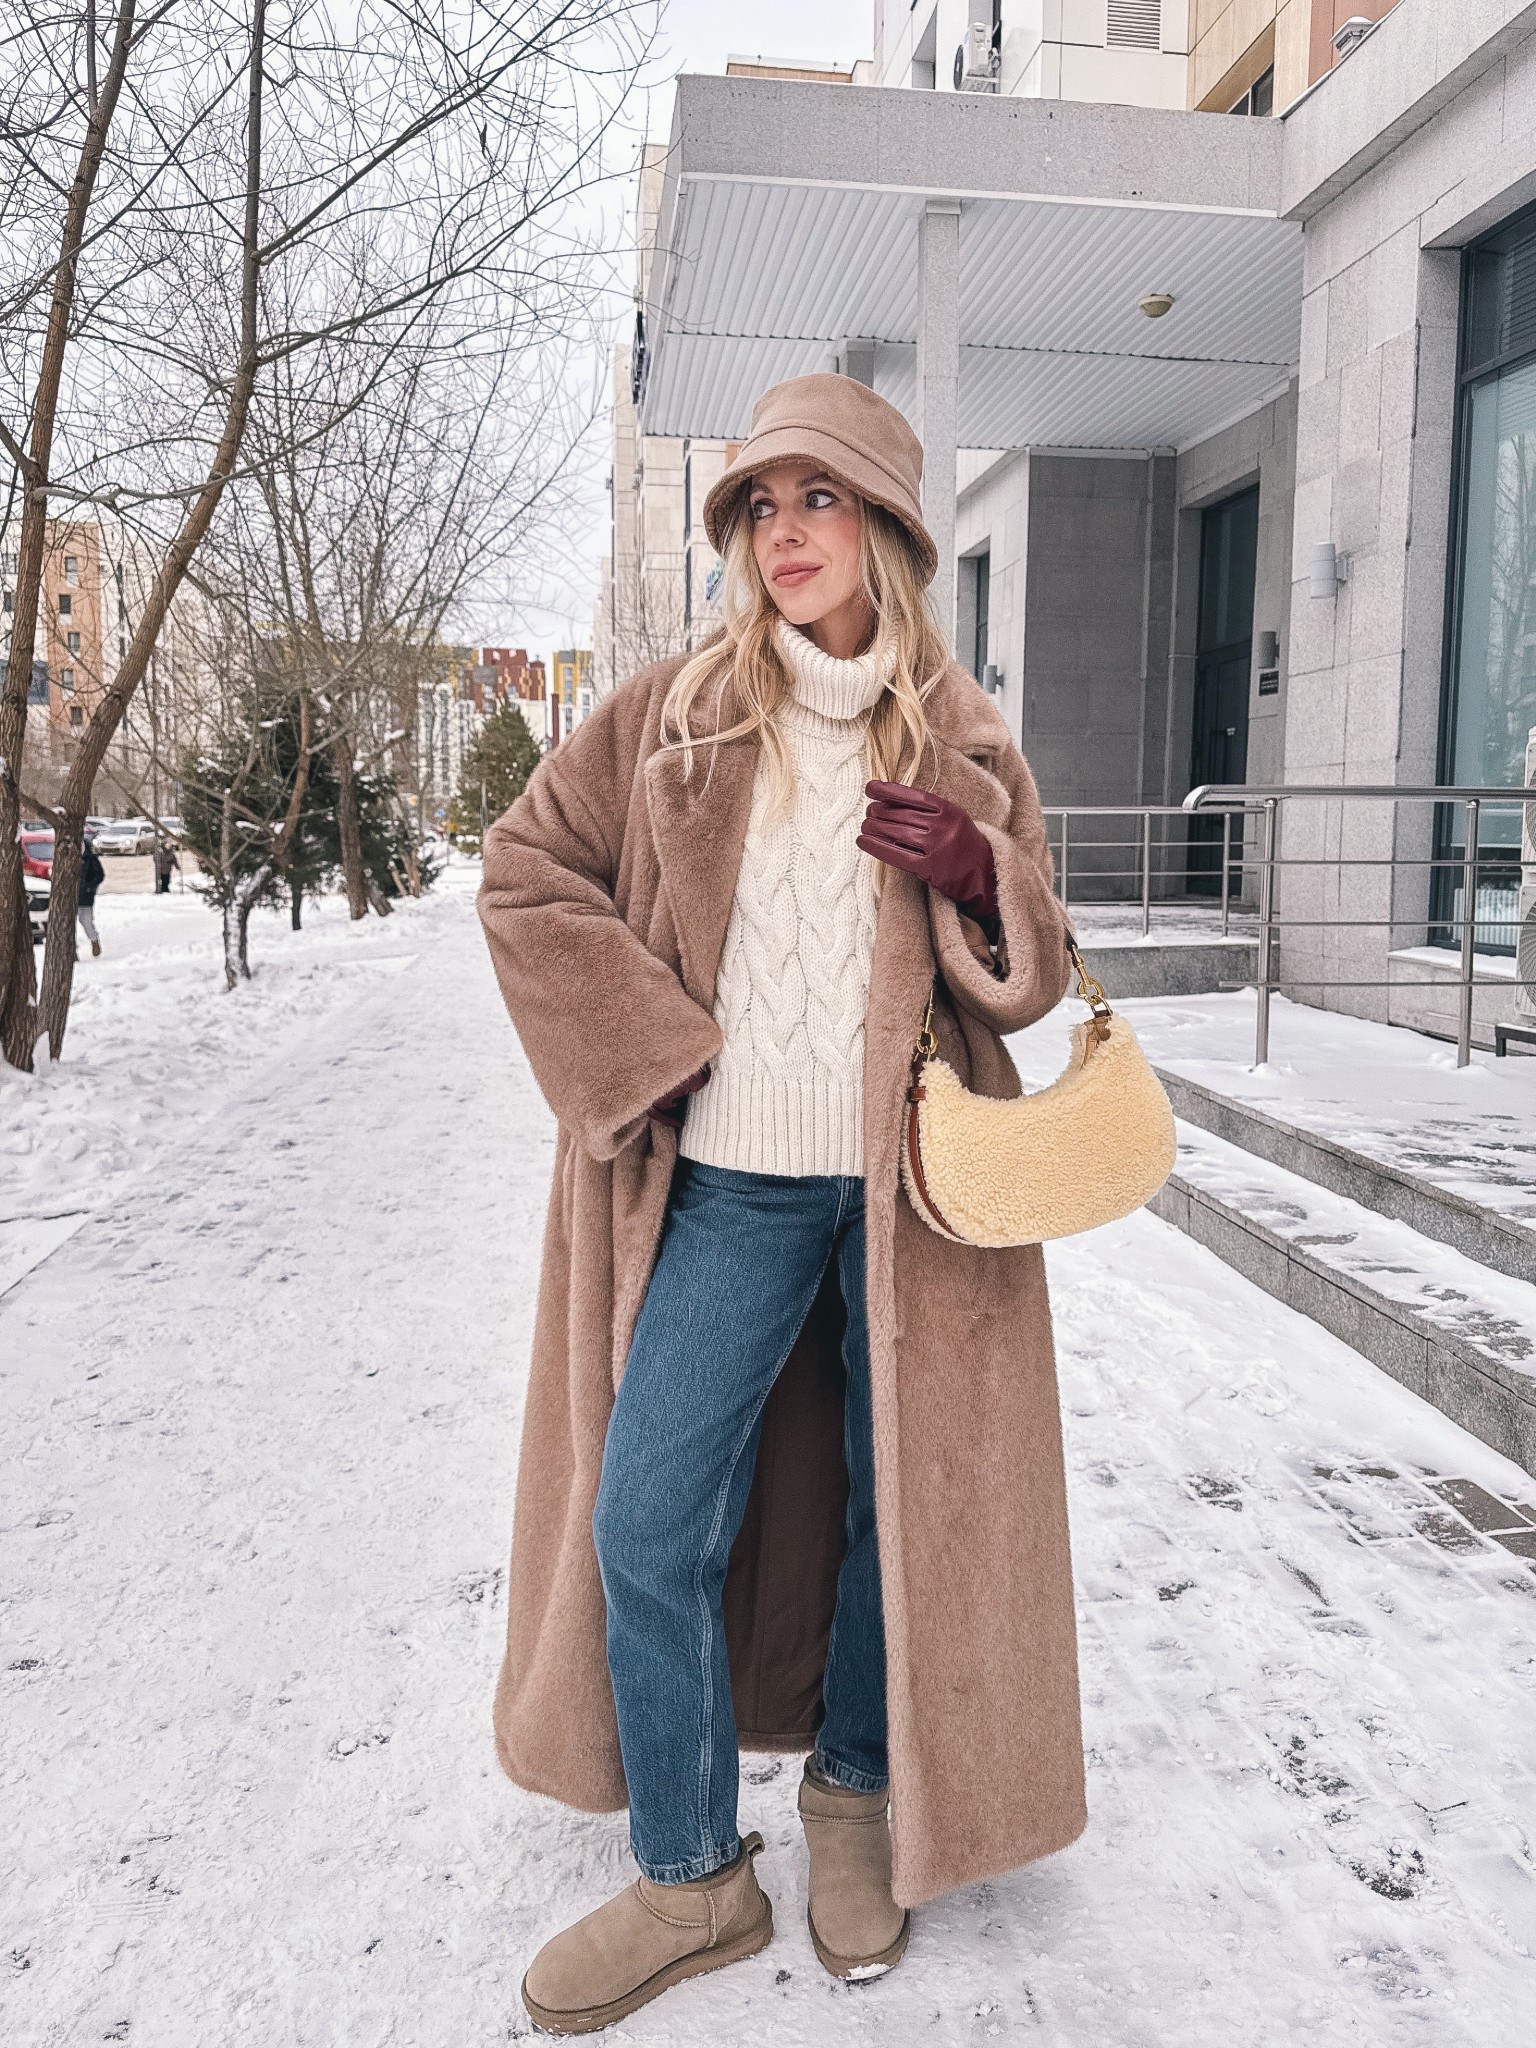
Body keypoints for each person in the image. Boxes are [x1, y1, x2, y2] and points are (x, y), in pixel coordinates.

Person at [479, 374, 1085, 2037]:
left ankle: (851, 1794)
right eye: (761, 505)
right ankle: (691, 1871)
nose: (785, 531)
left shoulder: (963, 735)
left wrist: (980, 876)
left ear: (887, 525)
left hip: (918, 1191)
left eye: (819, 500)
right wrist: (650, 1050)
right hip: (732, 1185)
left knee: (909, 1509)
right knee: (646, 1520)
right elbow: (524, 870)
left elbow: (1041, 971)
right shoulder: (675, 714)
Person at [77, 830, 105, 959]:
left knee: (85, 920)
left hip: (85, 896)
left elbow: (99, 875)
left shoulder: (91, 858)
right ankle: (72, 949)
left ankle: (94, 940)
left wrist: (89, 887)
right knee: (68, 923)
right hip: (70, 897)